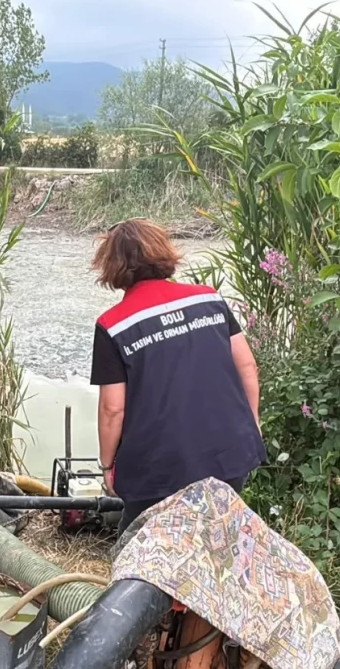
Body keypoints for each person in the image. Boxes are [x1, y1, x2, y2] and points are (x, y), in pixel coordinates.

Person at [89, 218, 265, 532]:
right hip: (230, 450)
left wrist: (107, 466)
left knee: (140, 550)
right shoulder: (208, 298)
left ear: (112, 265)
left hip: (158, 469)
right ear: (163, 252)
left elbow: (112, 409)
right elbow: (248, 367)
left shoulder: (113, 325)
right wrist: (252, 425)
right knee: (217, 536)